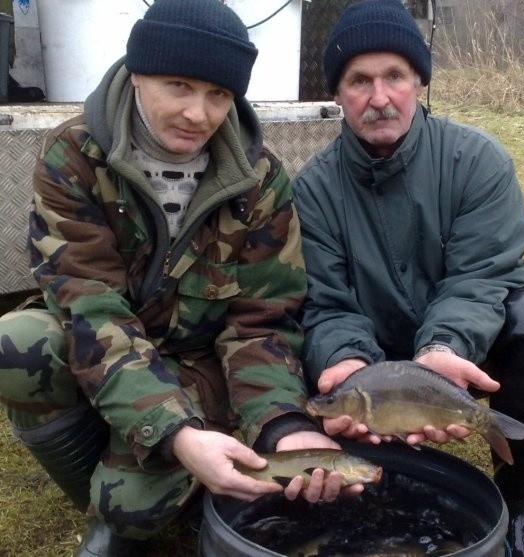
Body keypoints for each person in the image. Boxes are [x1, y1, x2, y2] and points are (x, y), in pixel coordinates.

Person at [0, 1, 357, 555]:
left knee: (134, 504)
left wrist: (281, 427)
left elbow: (262, 323)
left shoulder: (259, 180)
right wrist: (175, 433)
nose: (199, 113)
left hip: (202, 365)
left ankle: (140, 491)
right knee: (17, 343)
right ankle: (105, 493)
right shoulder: (74, 157)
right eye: (179, 86)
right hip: (106, 346)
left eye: (219, 95)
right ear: (138, 73)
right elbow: (91, 309)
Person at [292, 2, 524, 557]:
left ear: (419, 81)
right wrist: (348, 364)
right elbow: (324, 304)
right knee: (313, 356)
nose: (380, 98)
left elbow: (481, 276)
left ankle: (522, 505)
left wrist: (443, 347)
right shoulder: (313, 191)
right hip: (371, 354)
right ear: (338, 94)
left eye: (395, 76)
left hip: (459, 345)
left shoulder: (477, 160)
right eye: (359, 81)